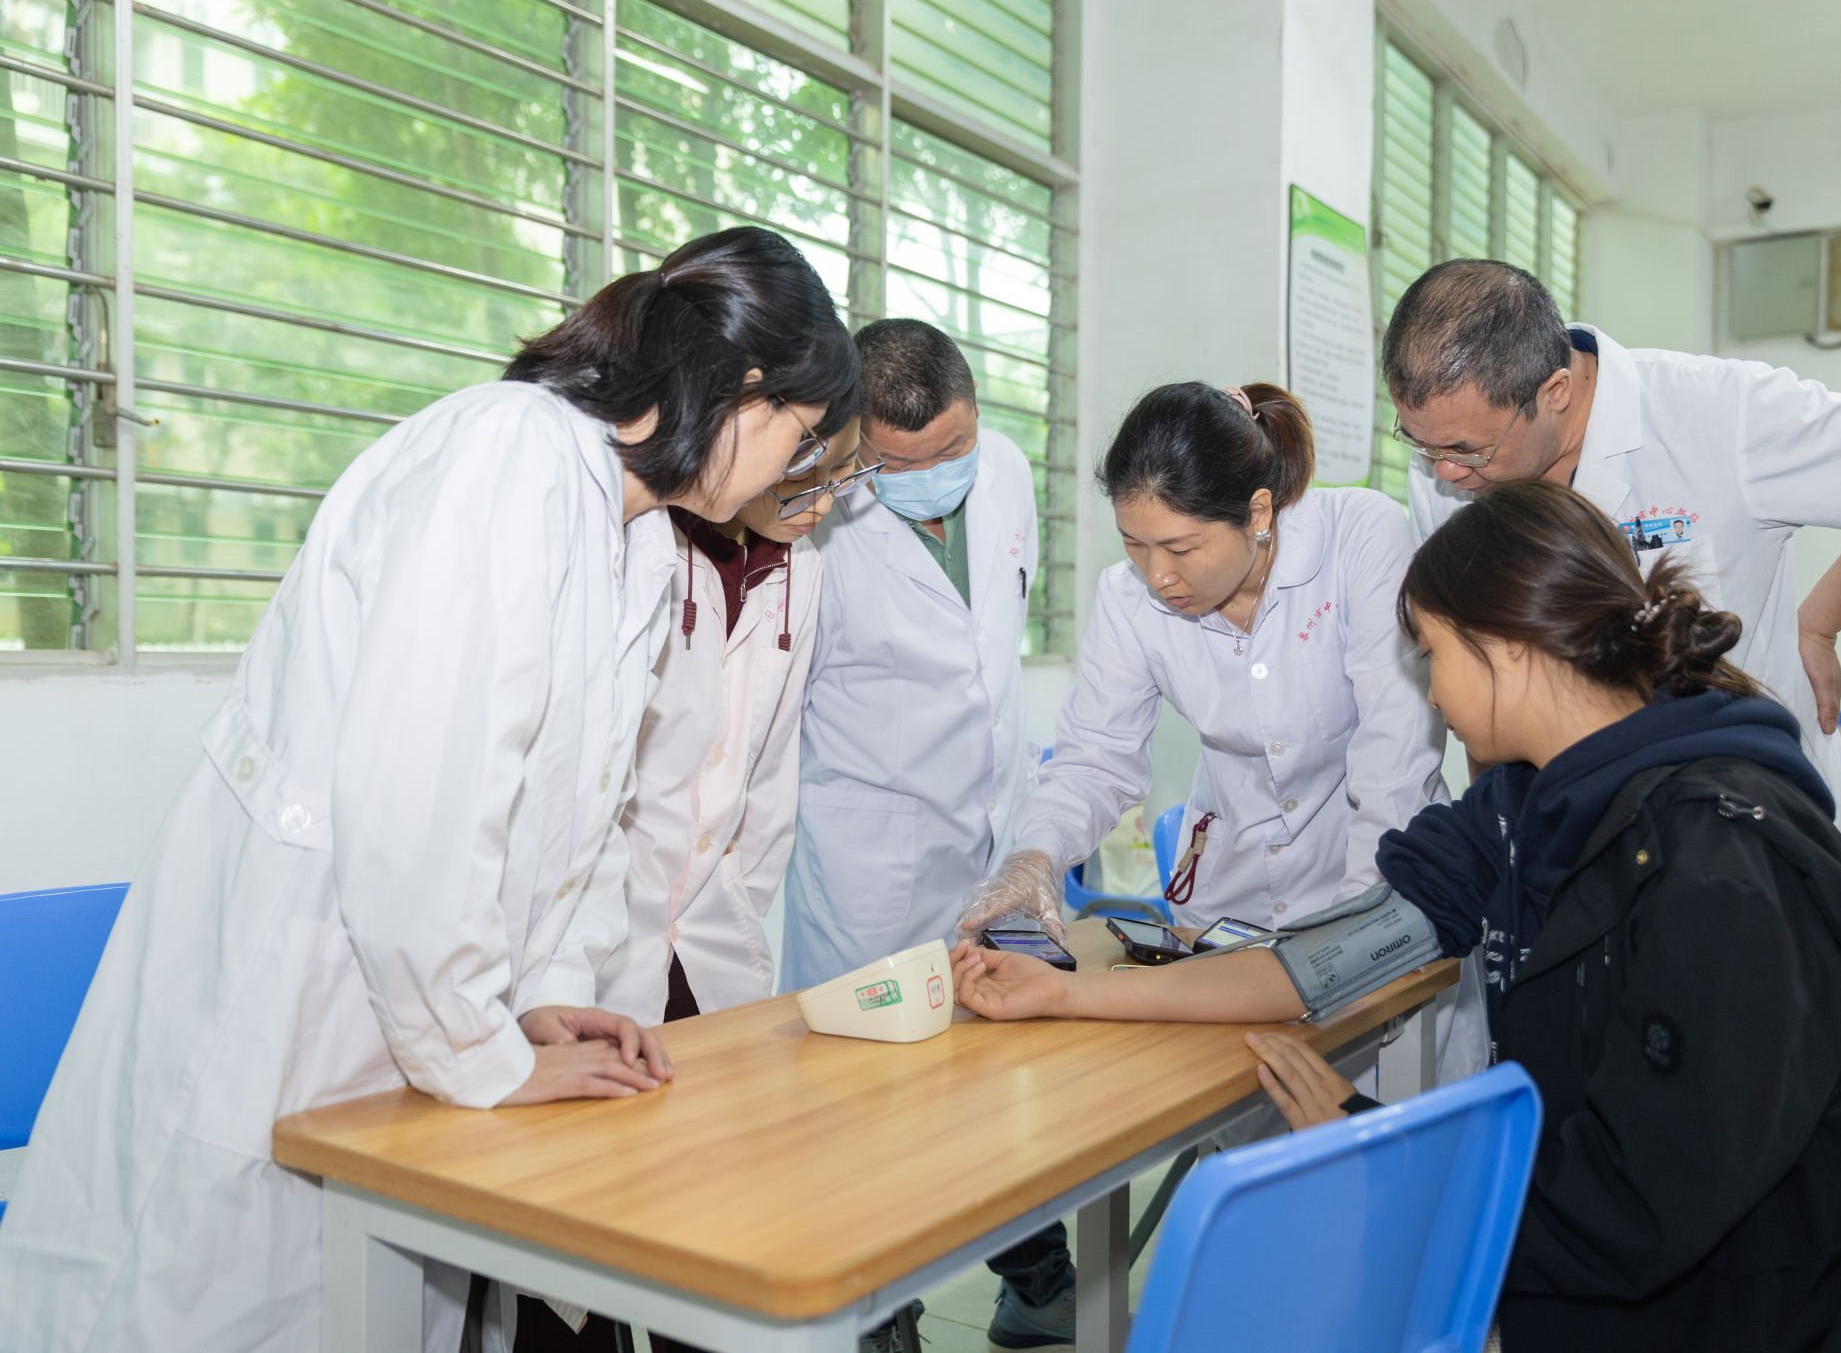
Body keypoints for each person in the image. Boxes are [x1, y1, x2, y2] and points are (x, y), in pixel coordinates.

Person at [0, 226, 861, 1353]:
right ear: (743, 390)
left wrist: (547, 991)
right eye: (802, 435)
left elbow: (584, 816)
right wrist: (482, 1049)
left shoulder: (639, 543)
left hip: (412, 1012)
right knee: (199, 1301)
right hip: (303, 997)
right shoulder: (507, 454)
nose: (797, 472)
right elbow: (420, 805)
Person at [950, 481, 1841, 1353]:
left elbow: (1637, 1212)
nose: (1430, 694)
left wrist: (1371, 1146)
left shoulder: (1713, 867)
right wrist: (1068, 994)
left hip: (1740, 1304)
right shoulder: (1519, 806)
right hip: (1636, 1258)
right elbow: (1322, 962)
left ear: (1509, 648)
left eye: (1432, 655)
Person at [957, 379, 1483, 1079]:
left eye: (1181, 547)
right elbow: (1093, 761)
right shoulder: (1129, 600)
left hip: (1375, 887)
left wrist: (1350, 940)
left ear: (1258, 512)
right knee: (1239, 1110)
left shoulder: (1359, 538)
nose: (1157, 575)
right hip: (1228, 918)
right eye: (1135, 544)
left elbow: (1395, 761)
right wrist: (1036, 856)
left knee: (1385, 1114)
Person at [1383, 259, 1841, 844]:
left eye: (1468, 450)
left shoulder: (1721, 413)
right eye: (1420, 444)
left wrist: (1817, 627)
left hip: (1743, 826)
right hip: (1565, 826)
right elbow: (1478, 666)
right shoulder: (1444, 464)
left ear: (1556, 391)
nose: (1445, 472)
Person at [515, 430, 876, 1353]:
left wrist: (738, 919)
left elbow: (768, 784)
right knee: (573, 1252)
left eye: (845, 479)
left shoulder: (801, 571)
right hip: (594, 950)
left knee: (712, 1238)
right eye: (808, 474)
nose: (823, 502)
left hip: (710, 948)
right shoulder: (642, 547)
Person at [780, 319, 1064, 1350]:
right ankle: (879, 1319)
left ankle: (1037, 1280)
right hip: (869, 858)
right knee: (869, 1108)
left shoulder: (1008, 470)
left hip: (992, 827)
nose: (933, 474)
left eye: (953, 447)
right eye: (897, 463)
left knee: (1000, 1070)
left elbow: (990, 653)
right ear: (857, 439)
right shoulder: (815, 517)